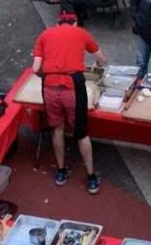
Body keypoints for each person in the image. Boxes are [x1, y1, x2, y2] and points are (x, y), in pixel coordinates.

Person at [31, 11, 108, 193]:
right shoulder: (81, 33)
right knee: (81, 132)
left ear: (58, 22)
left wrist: (47, 75)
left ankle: (61, 171)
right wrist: (98, 66)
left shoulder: (45, 35)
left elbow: (36, 68)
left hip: (50, 87)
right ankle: (91, 178)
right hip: (73, 86)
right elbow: (102, 59)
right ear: (75, 22)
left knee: (57, 129)